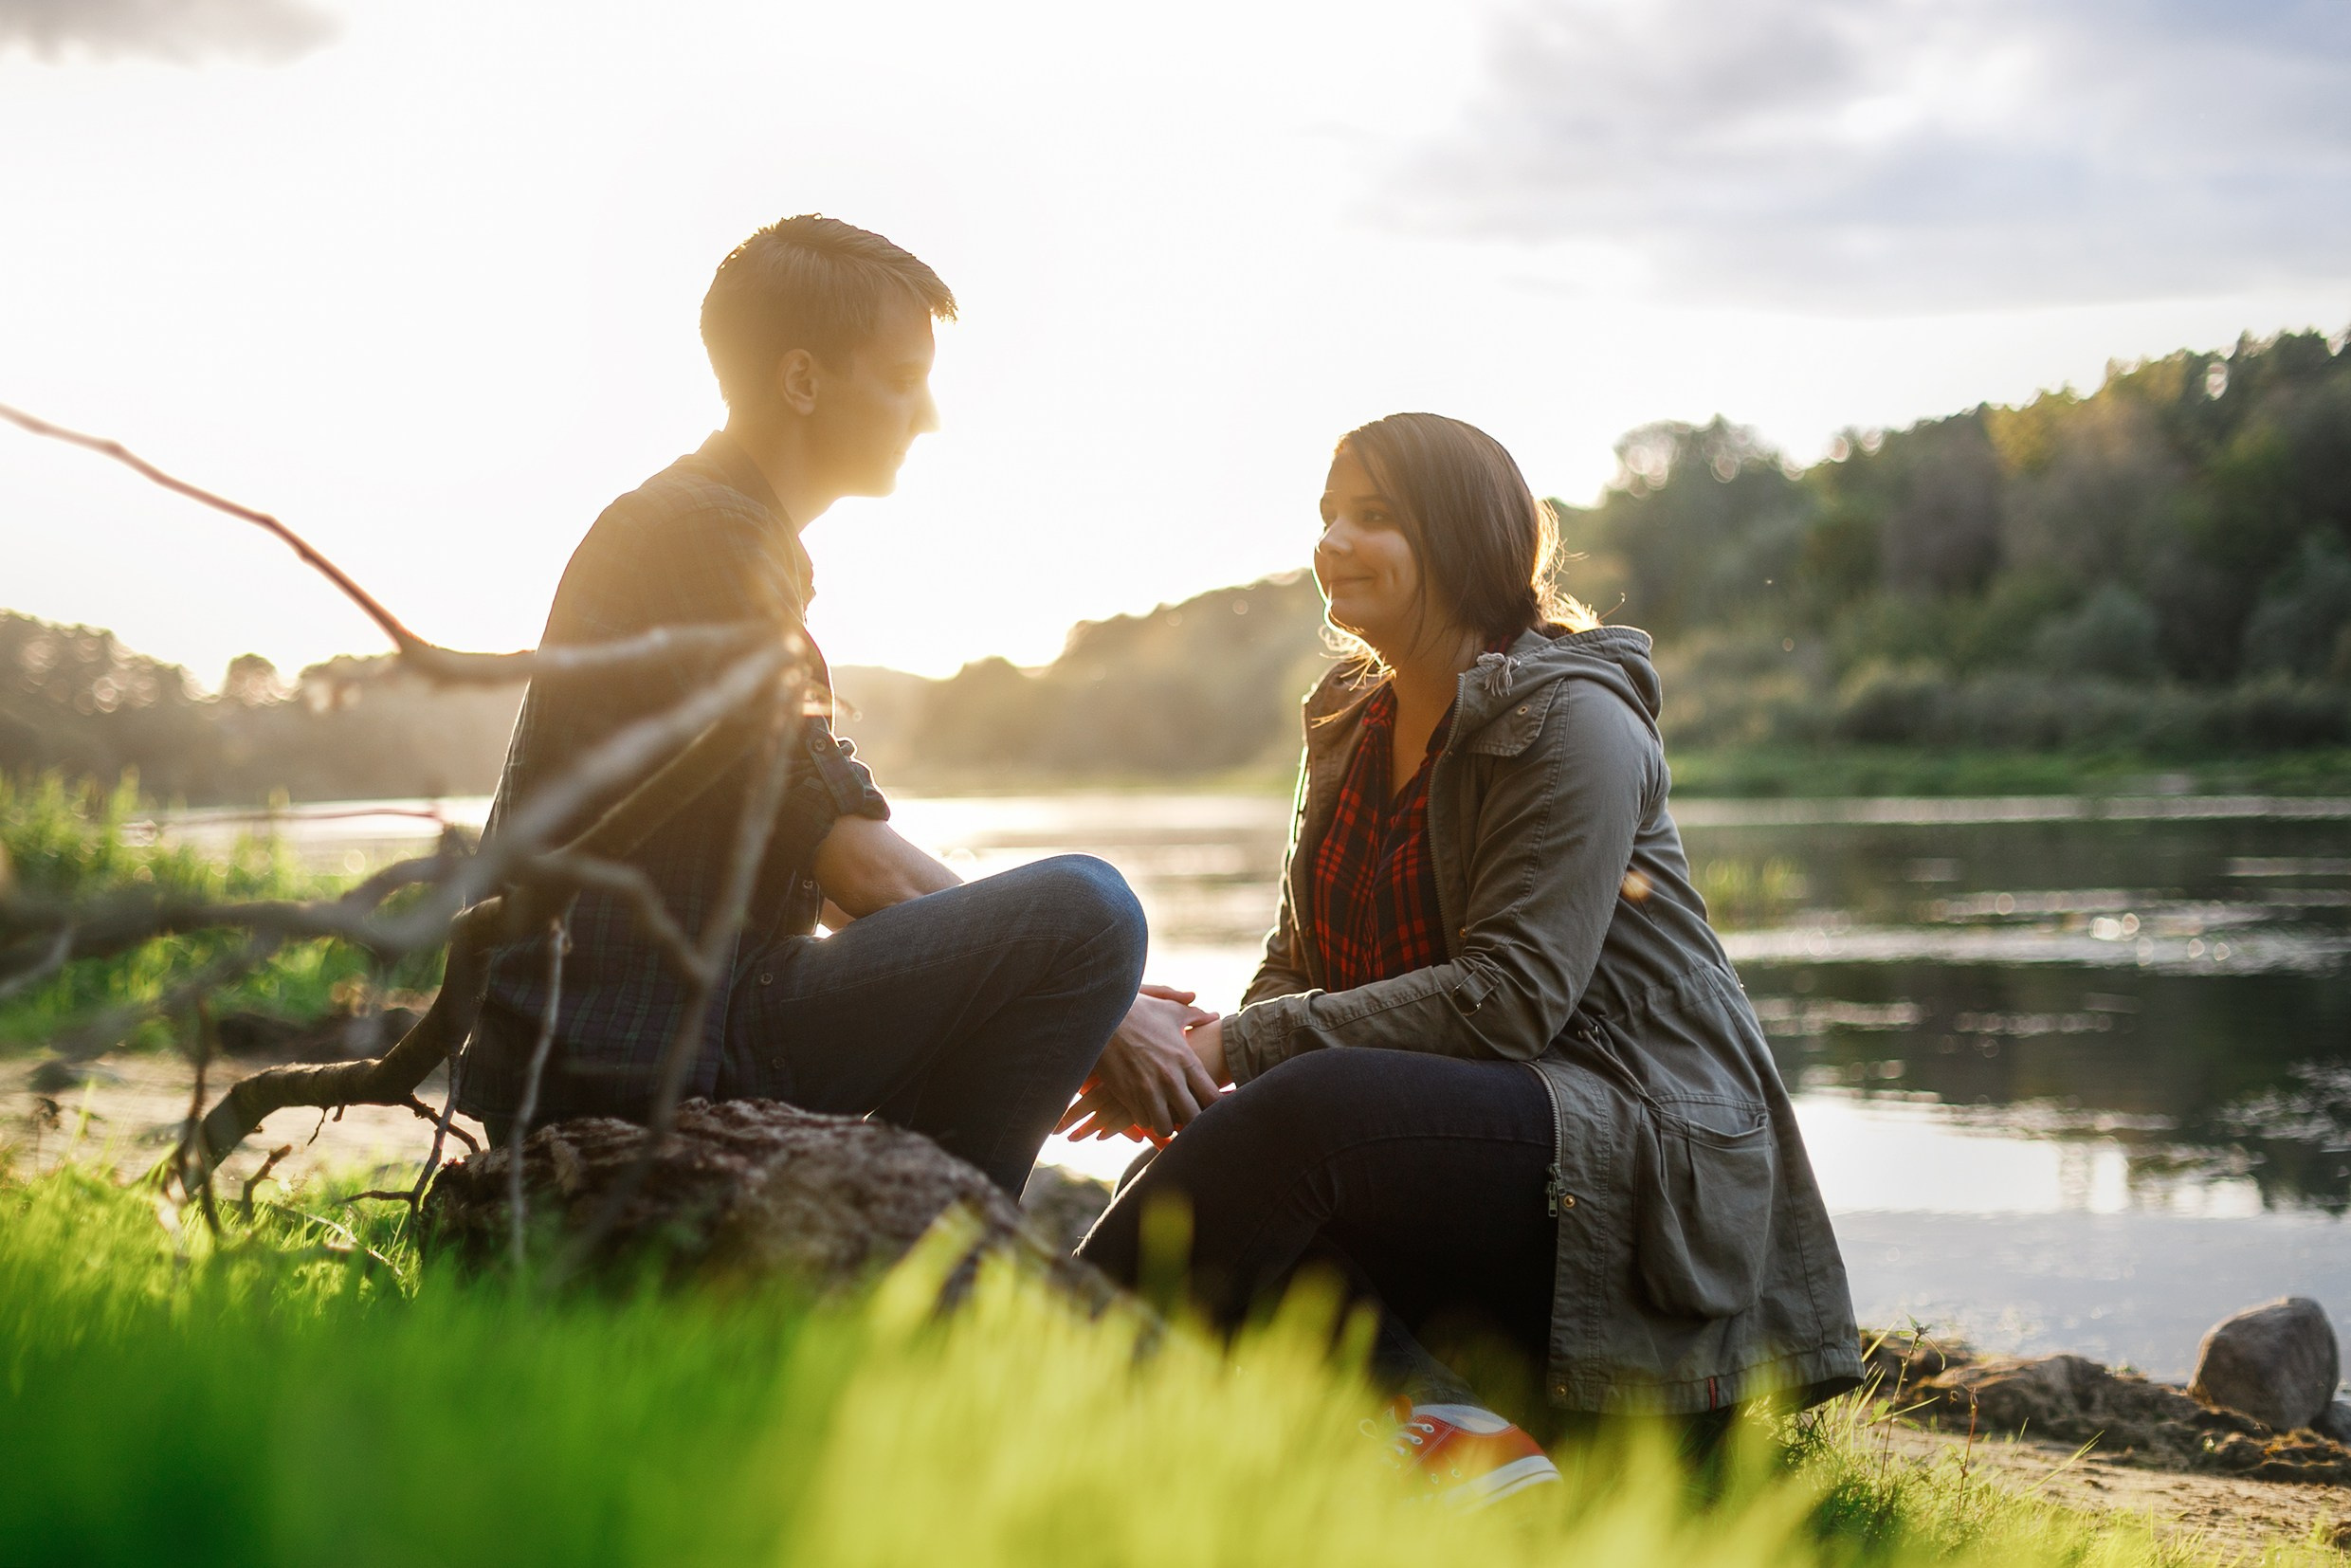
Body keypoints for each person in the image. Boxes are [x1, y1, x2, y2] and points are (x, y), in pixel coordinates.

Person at [1069, 412, 1862, 1505]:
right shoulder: (1350, 728)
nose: (1333, 542)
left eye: (1374, 516)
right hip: (1484, 1163)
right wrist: (1200, 1076)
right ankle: (1452, 1435)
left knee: (1299, 1110)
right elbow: (1297, 962)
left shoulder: (1572, 721)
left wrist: (1236, 1047)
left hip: (1628, 1169)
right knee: (1202, 1148)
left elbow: (1508, 999)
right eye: (1327, 516)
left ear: (1461, 534)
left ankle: (1029, 1374)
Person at [458, 215, 1222, 1196]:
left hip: (667, 1021)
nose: (928, 414)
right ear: (803, 381)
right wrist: (1105, 1008)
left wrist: (1035, 981)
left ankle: (917, 1225)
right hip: (645, 1042)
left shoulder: (713, 527)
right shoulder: (703, 537)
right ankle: (936, 1257)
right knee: (1090, 912)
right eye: (903, 379)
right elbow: (846, 851)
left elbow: (797, 846)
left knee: (1060, 933)